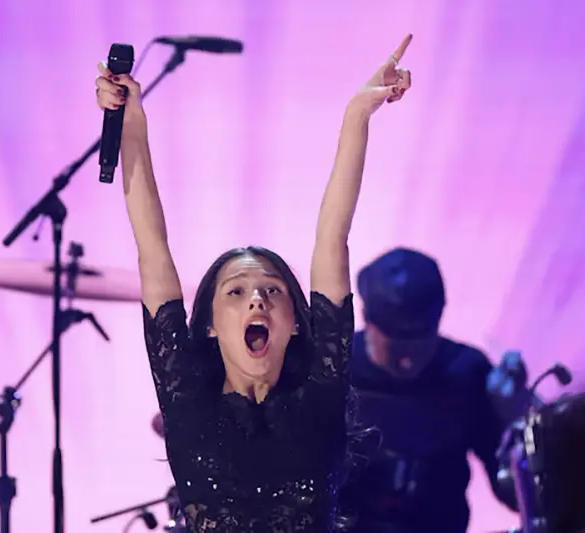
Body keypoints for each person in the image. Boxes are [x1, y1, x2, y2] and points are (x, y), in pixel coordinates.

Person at [94, 35, 414, 533]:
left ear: (295, 325)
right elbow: (153, 253)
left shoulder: (320, 392)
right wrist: (132, 125)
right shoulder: (187, 401)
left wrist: (358, 114)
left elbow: (333, 241)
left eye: (272, 290)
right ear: (209, 327)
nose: (257, 299)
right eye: (237, 292)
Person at [338, 247, 530, 533]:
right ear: (367, 320)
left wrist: (514, 420)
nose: (408, 358)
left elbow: (517, 497)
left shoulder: (468, 372)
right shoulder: (330, 372)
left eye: (421, 338)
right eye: (397, 340)